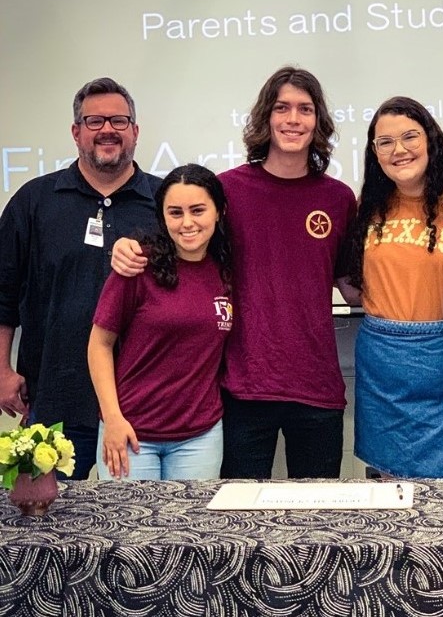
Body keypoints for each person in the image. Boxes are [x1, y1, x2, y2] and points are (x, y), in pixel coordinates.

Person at [112, 67, 357, 479]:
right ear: (266, 117)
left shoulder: (337, 198)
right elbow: (179, 240)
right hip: (243, 386)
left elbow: (352, 286)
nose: (293, 119)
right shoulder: (228, 191)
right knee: (238, 525)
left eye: (305, 109)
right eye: (282, 108)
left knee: (318, 520)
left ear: (319, 122)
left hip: (318, 388)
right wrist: (124, 245)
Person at [0, 77, 160, 479]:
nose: (108, 129)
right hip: (53, 399)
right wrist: (2, 371)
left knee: (136, 532)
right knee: (41, 523)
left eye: (119, 121)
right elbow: (2, 296)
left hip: (141, 405)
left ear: (135, 132)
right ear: (76, 133)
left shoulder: (165, 204)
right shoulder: (33, 202)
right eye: (94, 121)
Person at [345, 96, 443, 478]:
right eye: (385, 142)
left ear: (431, 139)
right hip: (381, 368)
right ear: (374, 152)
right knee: (385, 492)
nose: (399, 150)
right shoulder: (370, 205)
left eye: (409, 136)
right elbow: (351, 276)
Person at [88, 164, 232, 480]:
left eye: (198, 210)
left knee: (192, 529)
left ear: (218, 212)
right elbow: (99, 344)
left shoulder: (227, 270)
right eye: (175, 213)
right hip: (131, 432)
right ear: (163, 217)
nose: (187, 223)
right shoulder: (138, 266)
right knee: (129, 527)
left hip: (200, 436)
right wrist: (112, 419)